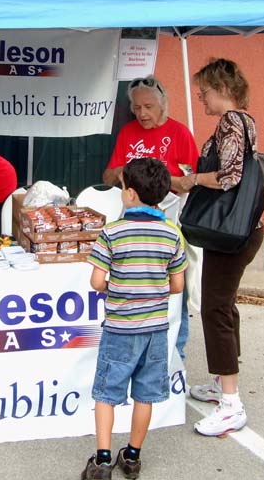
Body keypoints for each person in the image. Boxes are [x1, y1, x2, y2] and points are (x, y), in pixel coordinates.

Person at [83, 157, 187, 480]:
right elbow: (178, 285)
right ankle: (131, 456)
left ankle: (102, 460)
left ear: (129, 194)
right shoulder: (172, 234)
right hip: (155, 330)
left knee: (106, 393)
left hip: (119, 329)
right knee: (145, 394)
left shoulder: (112, 232)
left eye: (122, 186)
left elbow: (97, 282)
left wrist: (120, 285)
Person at [176, 57, 264, 437]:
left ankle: (230, 402)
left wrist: (191, 179)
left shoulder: (231, 122)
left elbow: (229, 176)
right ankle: (221, 381)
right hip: (240, 230)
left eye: (204, 92)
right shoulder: (246, 122)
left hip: (229, 232)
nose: (201, 100)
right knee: (224, 305)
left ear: (223, 90)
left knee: (214, 308)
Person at [103, 75, 200, 368]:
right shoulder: (127, 133)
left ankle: (176, 356)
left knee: (174, 288)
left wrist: (154, 179)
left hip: (170, 224)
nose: (142, 113)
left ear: (163, 105)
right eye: (136, 107)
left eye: (148, 106)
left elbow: (189, 182)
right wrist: (121, 171)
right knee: (134, 285)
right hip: (133, 225)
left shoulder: (180, 134)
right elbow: (106, 178)